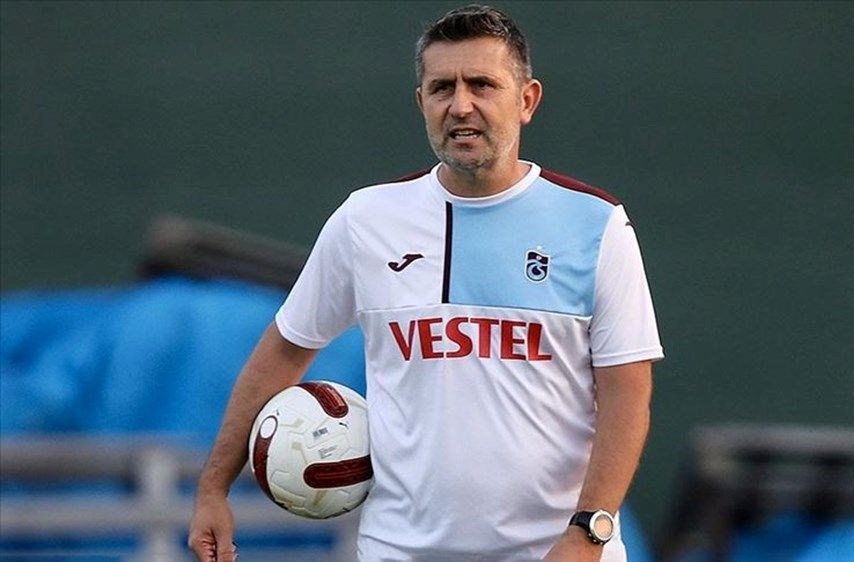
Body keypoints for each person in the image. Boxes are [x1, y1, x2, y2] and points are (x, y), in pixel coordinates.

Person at [188, 4, 662, 561]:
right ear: (421, 103)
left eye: (482, 84)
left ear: (527, 100)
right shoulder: (366, 220)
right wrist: (213, 487)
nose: (460, 105)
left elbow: (627, 393)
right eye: (442, 88)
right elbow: (283, 351)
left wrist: (588, 532)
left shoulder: (596, 224)